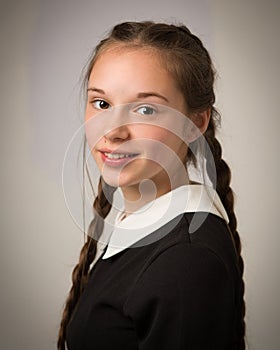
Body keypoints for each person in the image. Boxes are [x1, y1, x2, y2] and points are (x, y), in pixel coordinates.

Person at [58, 21, 245, 350]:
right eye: (101, 104)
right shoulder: (143, 230)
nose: (113, 131)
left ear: (194, 123)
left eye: (145, 109)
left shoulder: (185, 259)